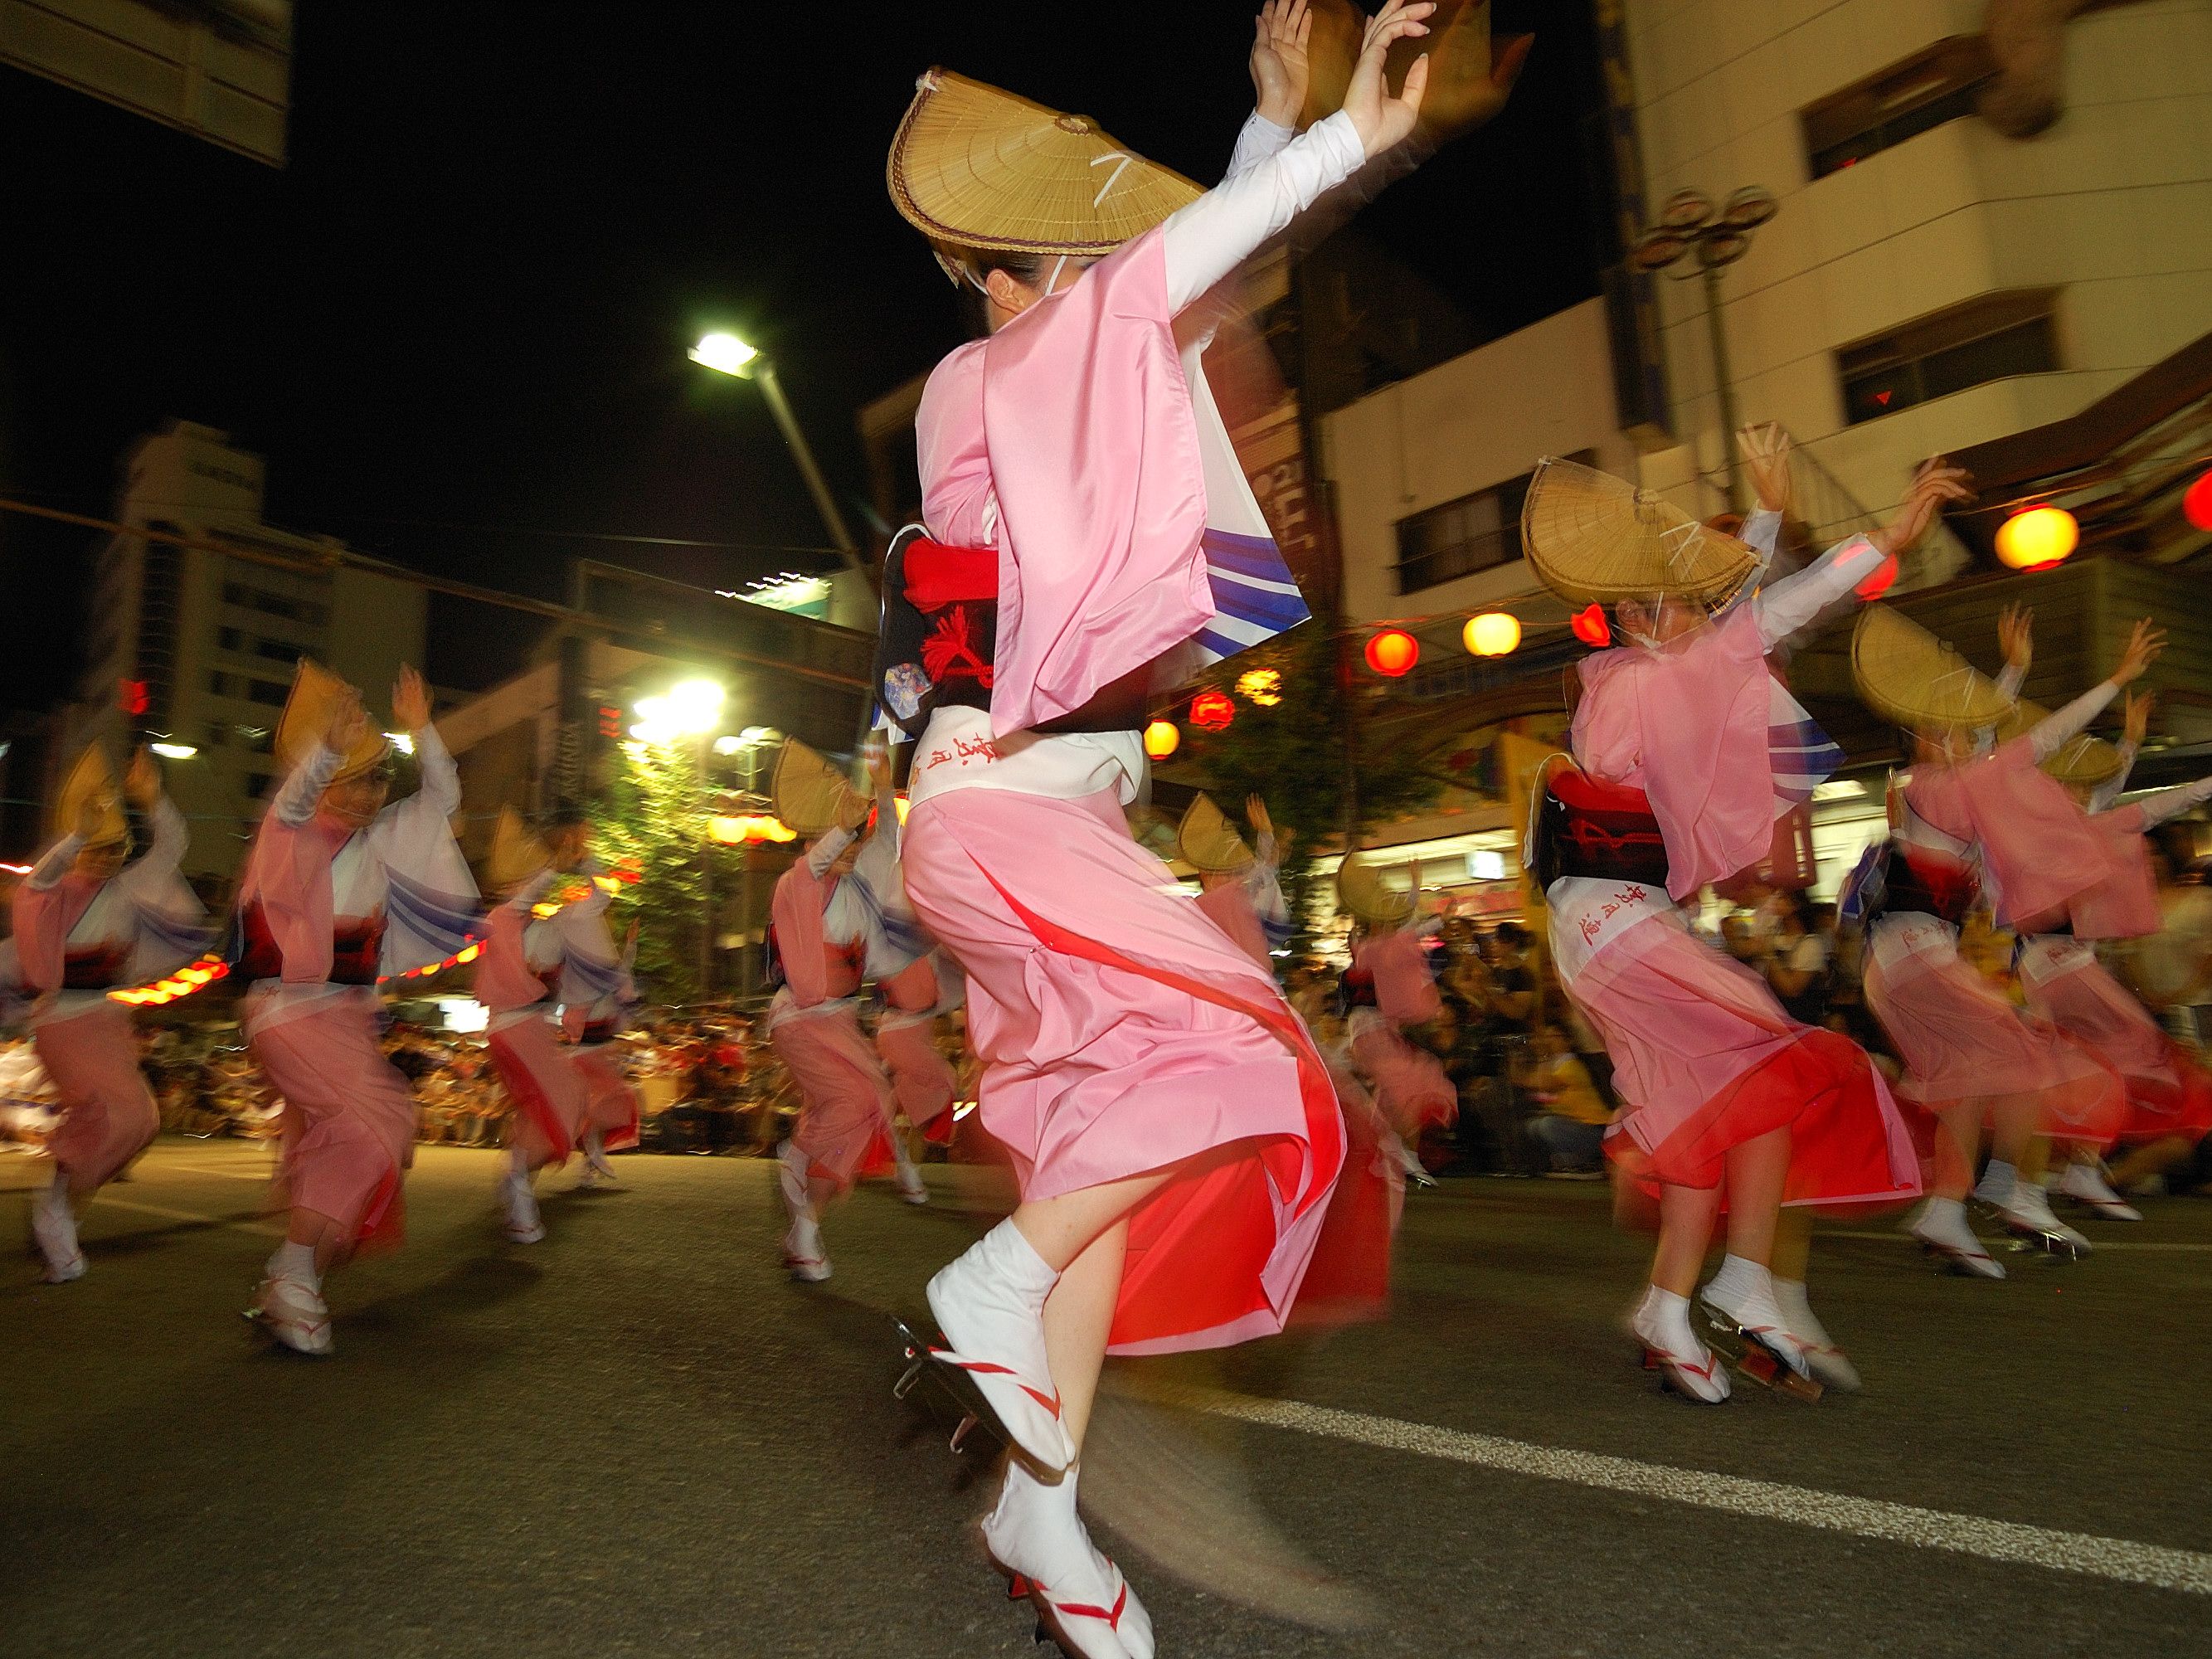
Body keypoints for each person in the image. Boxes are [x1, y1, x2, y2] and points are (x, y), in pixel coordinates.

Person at [882, 7, 1503, 1651]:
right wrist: (1343, 137)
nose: (1105, 275)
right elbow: (1164, 281)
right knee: (1240, 1065)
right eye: (1071, 257)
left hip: (999, 821)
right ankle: (991, 1285)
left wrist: (1261, 138)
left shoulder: (1022, 382)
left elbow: (1169, 282)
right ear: (1024, 272)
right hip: (1013, 814)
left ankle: (1041, 1512)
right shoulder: (999, 367)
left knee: (1103, 1163)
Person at [1523, 425, 1942, 1402]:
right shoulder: (1627, 684)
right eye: (1638, 600)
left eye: (1657, 597)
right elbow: (1751, 625)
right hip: (1613, 927)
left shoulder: (1664, 675)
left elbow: (1745, 627)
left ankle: (1676, 1307)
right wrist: (1853, 535)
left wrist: (1864, 538)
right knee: (1783, 1062)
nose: (1644, 611)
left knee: (1726, 1111)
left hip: (1628, 927)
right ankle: (1751, 1284)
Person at [1857, 606, 2151, 1268]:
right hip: (1913, 963)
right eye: (1946, 733)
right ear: (1924, 741)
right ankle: (2016, 1193)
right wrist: (2111, 680)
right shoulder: (1929, 788)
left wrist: (2013, 672)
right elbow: (2032, 745)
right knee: (2027, 1054)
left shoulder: (1942, 793)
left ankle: (1947, 1209)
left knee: (1974, 1076)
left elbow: (1996, 747)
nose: (1964, 741)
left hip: (1903, 965)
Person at [236, 660, 477, 1354]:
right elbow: (289, 806)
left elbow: (444, 797)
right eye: (358, 778)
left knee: (374, 1135)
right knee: (373, 1129)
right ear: (325, 778)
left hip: (342, 1019)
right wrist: (327, 753)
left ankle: (290, 1272)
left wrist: (422, 729)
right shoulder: (292, 836)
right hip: (288, 1012)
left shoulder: (381, 839)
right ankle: (292, 1276)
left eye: (378, 778)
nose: (373, 793)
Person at [1996, 648, 2212, 1217]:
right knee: (2135, 1046)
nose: (2076, 794)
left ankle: (2055, 1176)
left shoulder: (2080, 825)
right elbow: (2110, 797)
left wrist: (2132, 744)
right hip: (2053, 964)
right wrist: (2114, 682)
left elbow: (2140, 803)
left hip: (2054, 968)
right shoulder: (2027, 823)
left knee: (2084, 1072)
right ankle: (2040, 1180)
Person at [13, 745, 202, 1282]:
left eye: (115, 847)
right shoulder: (54, 891)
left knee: (141, 1121)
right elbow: (37, 882)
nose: (106, 857)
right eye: (95, 849)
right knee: (113, 1115)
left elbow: (173, 844)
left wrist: (153, 798)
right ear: (75, 849)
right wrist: (76, 835)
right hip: (59, 1024)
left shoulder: (128, 889)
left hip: (105, 1020)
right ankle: (55, 1216)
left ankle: (56, 1201)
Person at [763, 739, 899, 1280]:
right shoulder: (798, 884)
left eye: (849, 834)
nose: (847, 843)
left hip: (838, 1021)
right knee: (855, 1100)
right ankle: (798, 1165)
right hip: (797, 1018)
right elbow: (819, 859)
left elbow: (887, 838)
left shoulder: (859, 887)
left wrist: (884, 786)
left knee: (869, 1103)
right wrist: (845, 823)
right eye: (835, 834)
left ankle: (805, 1224)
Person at [1179, 793, 1291, 971]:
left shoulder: (1235, 899)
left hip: (1247, 984)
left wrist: (1266, 837)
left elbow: (1262, 876)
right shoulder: (1203, 908)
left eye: (1233, 872)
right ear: (1205, 876)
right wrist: (1266, 837)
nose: (1233, 876)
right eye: (1226, 872)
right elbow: (1262, 874)